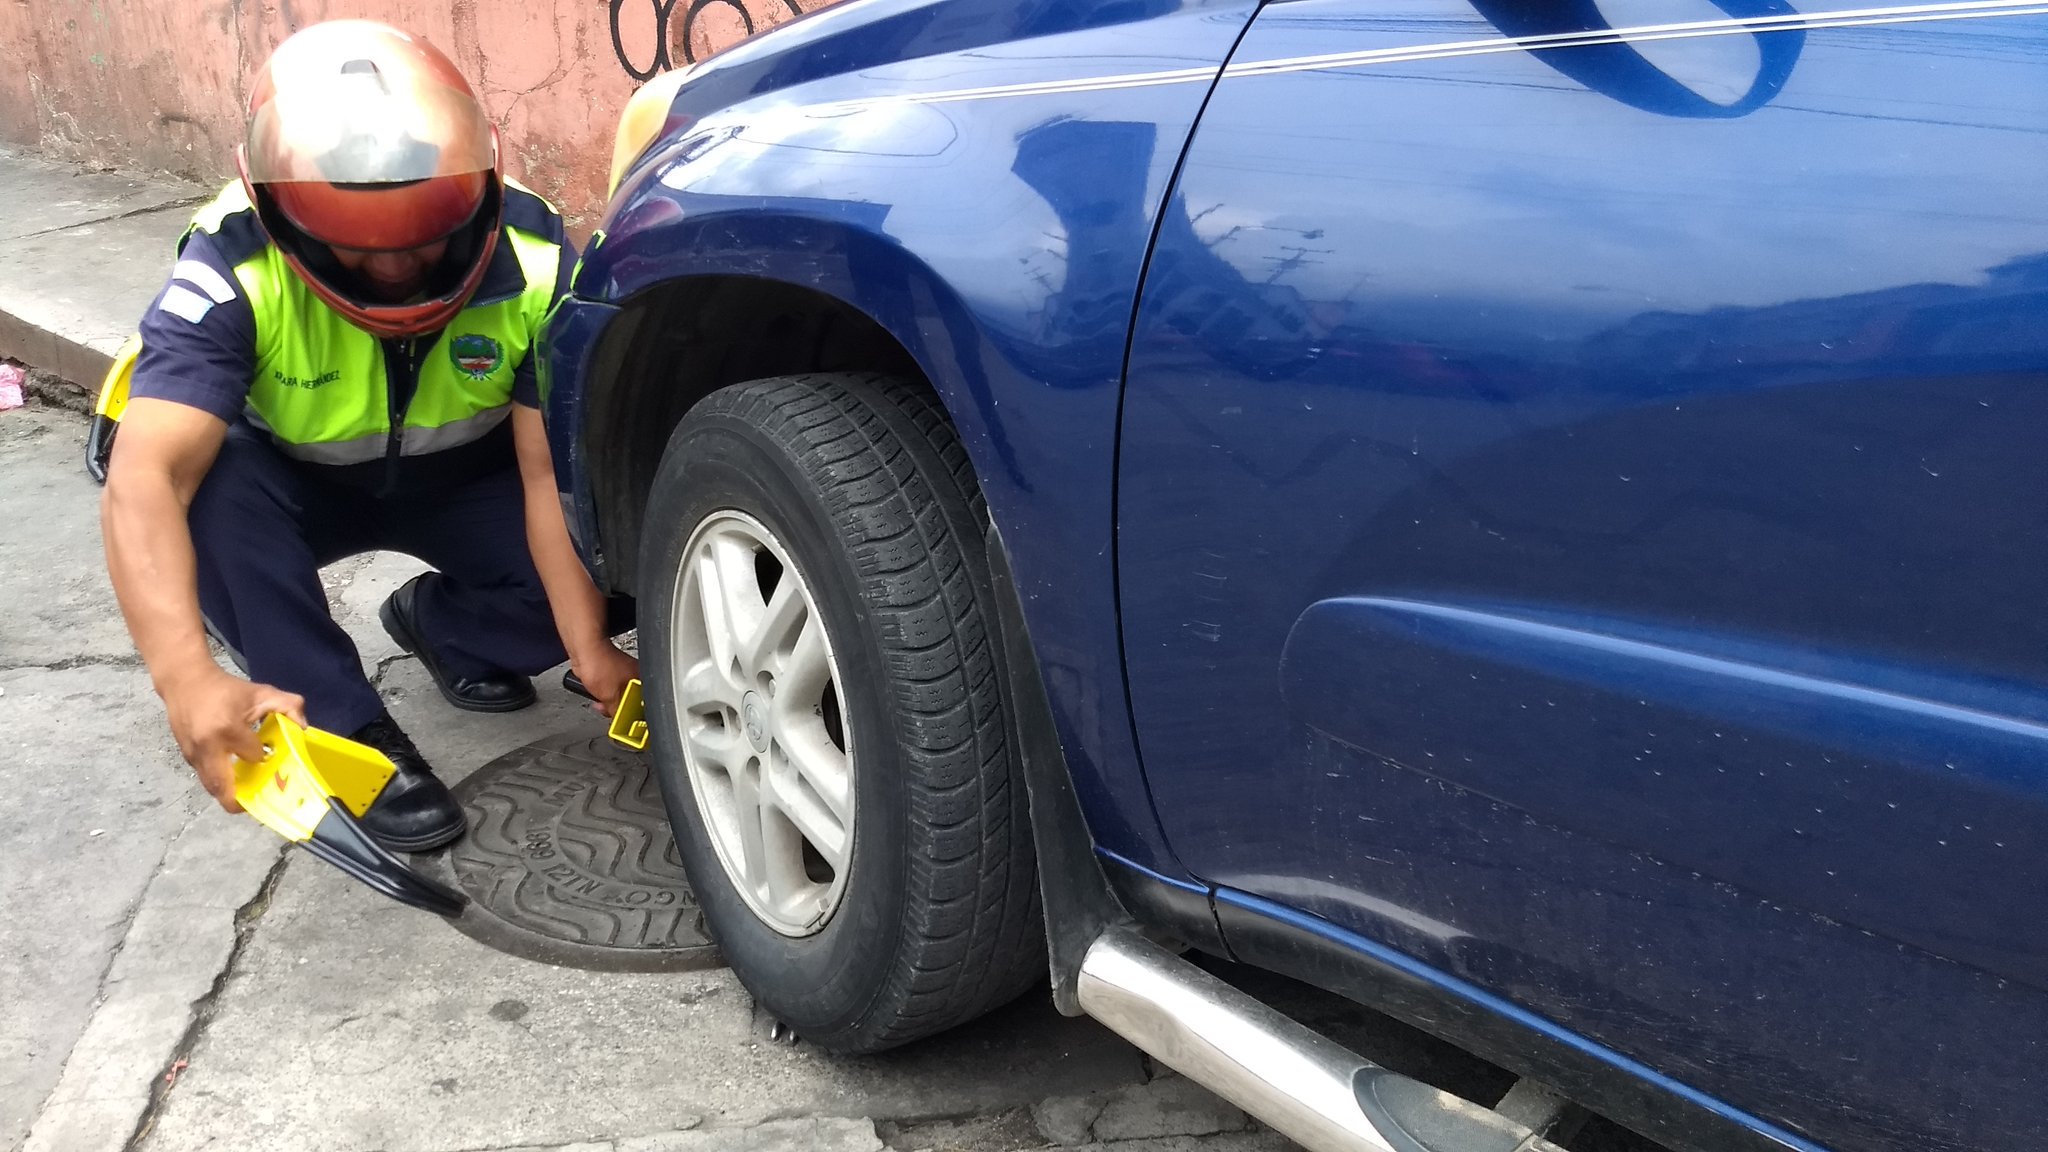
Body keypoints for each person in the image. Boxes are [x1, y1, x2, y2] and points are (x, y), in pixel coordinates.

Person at [100, 20, 637, 852]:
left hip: (469, 480)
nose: (397, 269)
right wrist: (188, 683)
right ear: (287, 217)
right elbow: (145, 479)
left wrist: (591, 649)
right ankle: (348, 733)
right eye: (361, 251)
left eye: (426, 241)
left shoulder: (535, 255)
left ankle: (442, 626)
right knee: (204, 495)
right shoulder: (232, 262)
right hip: (287, 484)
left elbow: (543, 476)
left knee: (608, 548)